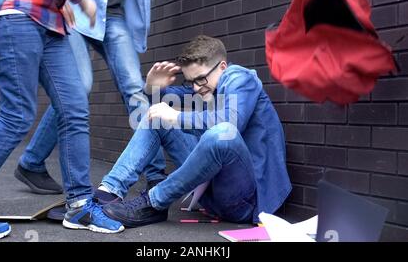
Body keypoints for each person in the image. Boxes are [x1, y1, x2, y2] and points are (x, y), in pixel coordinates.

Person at [0, 0, 124, 242]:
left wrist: (59, 1)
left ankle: (79, 206)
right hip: (18, 17)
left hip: (51, 24)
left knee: (74, 110)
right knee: (16, 116)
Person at [98, 35, 293, 227]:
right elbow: (165, 98)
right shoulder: (206, 86)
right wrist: (151, 88)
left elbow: (230, 122)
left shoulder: (240, 79)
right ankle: (106, 194)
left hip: (246, 201)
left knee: (222, 132)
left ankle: (153, 203)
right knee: (156, 116)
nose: (196, 87)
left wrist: (175, 116)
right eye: (190, 81)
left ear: (222, 67)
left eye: (200, 79)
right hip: (212, 198)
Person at [14, 0, 168, 199]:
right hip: (75, 8)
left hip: (113, 15)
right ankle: (31, 162)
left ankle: (156, 174)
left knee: (134, 87)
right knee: (78, 87)